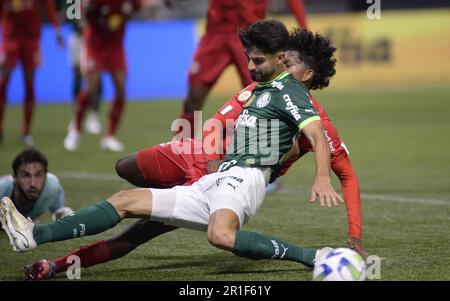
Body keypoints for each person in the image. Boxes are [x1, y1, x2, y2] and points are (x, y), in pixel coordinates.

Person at [1, 21, 341, 277]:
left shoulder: (290, 91)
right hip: (216, 178)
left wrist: (322, 177)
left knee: (220, 236)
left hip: (246, 178)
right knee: (124, 200)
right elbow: (216, 124)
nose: (251, 67)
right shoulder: (258, 89)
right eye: (248, 59)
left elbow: (316, 134)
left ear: (281, 58)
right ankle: (35, 234)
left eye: (258, 60)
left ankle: (314, 257)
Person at [177, 0, 308, 138]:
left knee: (263, 96)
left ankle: (266, 143)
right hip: (215, 33)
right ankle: (180, 148)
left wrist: (303, 28)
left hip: (252, 35)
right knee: (193, 99)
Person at [63, 0, 141, 152]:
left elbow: (139, 7)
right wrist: (82, 18)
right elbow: (78, 10)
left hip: (115, 48)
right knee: (91, 87)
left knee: (120, 90)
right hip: (94, 46)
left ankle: (110, 136)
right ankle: (76, 130)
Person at [0, 0, 64, 146]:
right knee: (3, 84)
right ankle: (0, 128)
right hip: (9, 39)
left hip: (31, 40)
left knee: (29, 85)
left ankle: (26, 131)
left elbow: (49, 7)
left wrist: (57, 31)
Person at [0, 149, 73, 222]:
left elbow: (59, 214)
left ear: (46, 176)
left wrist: (63, 214)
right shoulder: (2, 190)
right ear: (14, 177)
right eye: (26, 175)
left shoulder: (52, 187)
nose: (33, 184)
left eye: (39, 175)